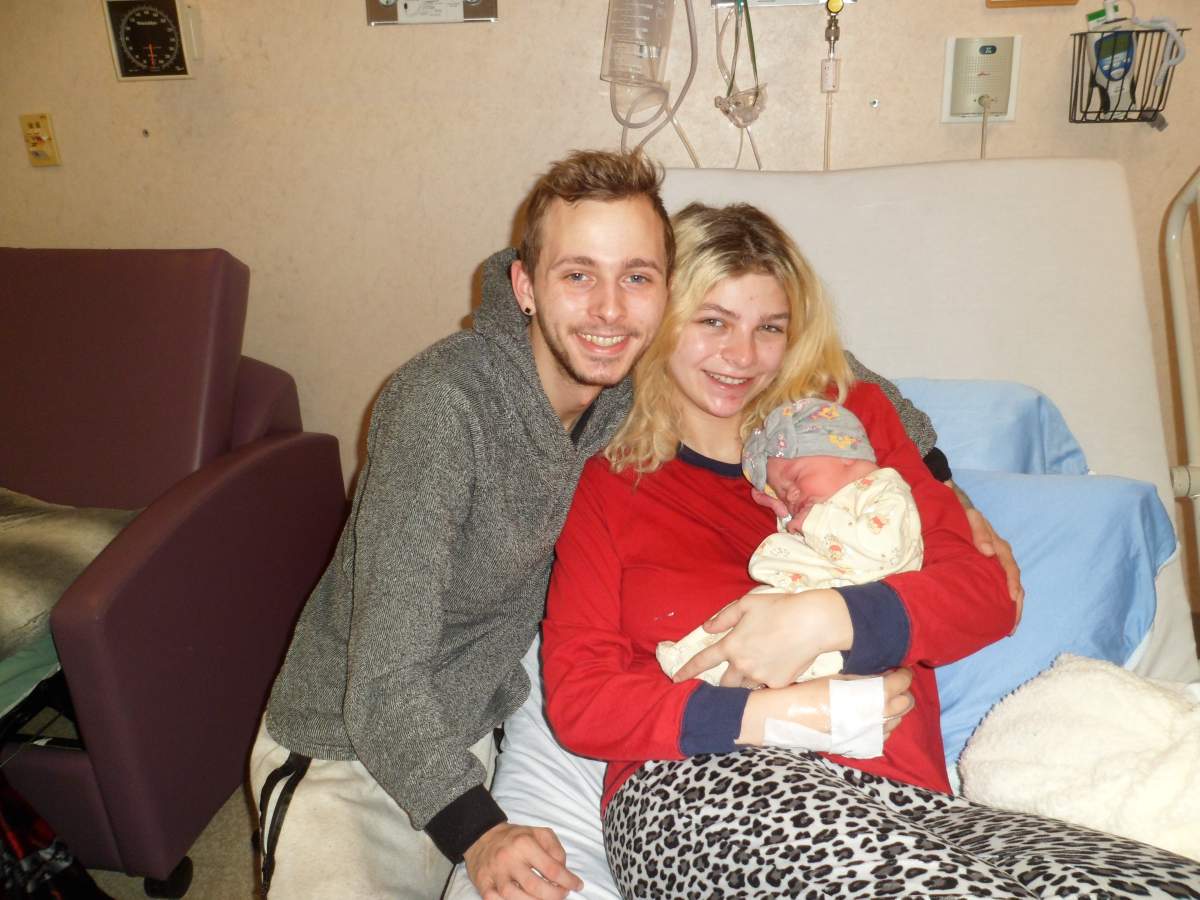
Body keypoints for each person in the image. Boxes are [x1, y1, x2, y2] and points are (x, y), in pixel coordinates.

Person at [541, 201, 1200, 897]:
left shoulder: (849, 424)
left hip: (901, 797)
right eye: (713, 323)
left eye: (770, 328)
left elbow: (985, 596)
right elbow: (582, 700)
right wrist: (775, 713)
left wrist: (827, 618)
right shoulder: (610, 483)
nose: (743, 357)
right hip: (698, 782)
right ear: (663, 321)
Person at [250, 150, 674, 899]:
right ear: (525, 287)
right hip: (349, 745)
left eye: (636, 277)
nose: (610, 310)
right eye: (578, 275)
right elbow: (380, 680)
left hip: (482, 714)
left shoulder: (628, 386)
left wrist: (933, 470)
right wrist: (478, 830)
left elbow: (776, 352)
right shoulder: (441, 407)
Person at [656, 397, 922, 688]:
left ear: (846, 454)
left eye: (797, 478)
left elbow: (883, 550)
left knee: (776, 638)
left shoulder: (884, 490)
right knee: (751, 610)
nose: (792, 495)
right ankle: (695, 658)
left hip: (848, 625)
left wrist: (814, 521)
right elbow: (814, 546)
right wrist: (785, 515)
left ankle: (718, 675)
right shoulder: (826, 506)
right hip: (814, 597)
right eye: (782, 492)